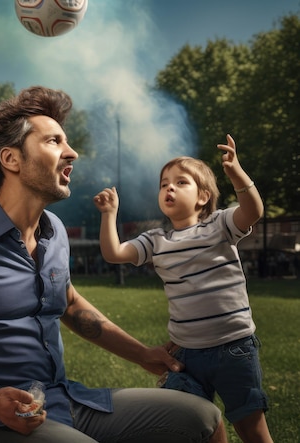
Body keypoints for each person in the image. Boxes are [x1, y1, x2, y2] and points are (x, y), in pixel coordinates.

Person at [0, 85, 227, 442]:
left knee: (205, 417)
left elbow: (67, 301)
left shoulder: (56, 232)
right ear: (11, 159)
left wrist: (142, 354)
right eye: (54, 142)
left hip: (65, 398)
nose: (73, 153)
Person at [93, 135, 272, 443]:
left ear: (203, 196)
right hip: (186, 355)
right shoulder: (155, 240)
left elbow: (253, 211)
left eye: (180, 183)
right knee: (193, 424)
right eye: (164, 184)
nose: (169, 188)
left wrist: (236, 173)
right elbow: (114, 254)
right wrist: (109, 215)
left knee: (250, 426)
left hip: (234, 348)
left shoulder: (220, 224)